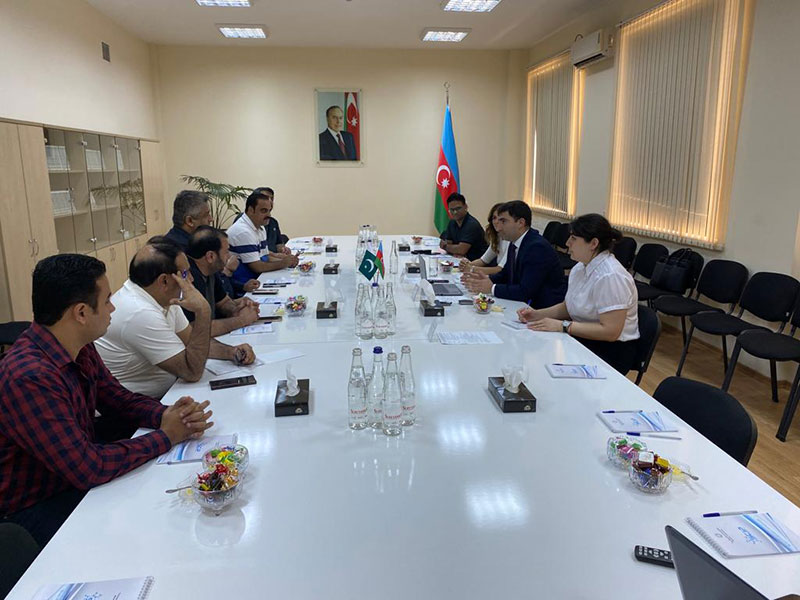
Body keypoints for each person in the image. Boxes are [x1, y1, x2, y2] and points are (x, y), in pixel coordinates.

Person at [0, 254, 213, 547]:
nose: (113, 308)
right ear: (81, 313)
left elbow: (117, 399)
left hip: (69, 476)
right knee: (152, 525)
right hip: (34, 505)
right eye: (108, 300)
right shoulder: (30, 377)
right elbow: (89, 468)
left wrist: (167, 414)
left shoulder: (78, 344)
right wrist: (167, 436)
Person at [95, 237, 255, 399]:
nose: (191, 279)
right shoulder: (139, 312)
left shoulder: (161, 296)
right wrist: (203, 311)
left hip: (168, 392)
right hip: (136, 405)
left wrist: (232, 352)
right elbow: (192, 371)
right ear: (164, 281)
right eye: (185, 273)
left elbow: (191, 341)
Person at [517, 213, 640, 374]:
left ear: (593, 243)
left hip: (611, 351)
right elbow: (568, 307)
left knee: (545, 367)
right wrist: (537, 314)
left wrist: (563, 326)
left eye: (574, 238)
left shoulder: (610, 276)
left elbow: (611, 331)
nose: (567, 243)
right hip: (583, 337)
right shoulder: (580, 267)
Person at [462, 200, 566, 307]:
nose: (498, 227)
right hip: (524, 303)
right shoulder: (514, 242)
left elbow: (525, 291)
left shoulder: (537, 247)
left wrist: (492, 288)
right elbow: (506, 274)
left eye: (503, 221)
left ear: (521, 223)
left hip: (542, 307)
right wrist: (485, 280)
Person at [185, 226, 260, 336]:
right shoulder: (189, 278)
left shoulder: (211, 270)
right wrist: (242, 320)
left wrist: (237, 309)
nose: (229, 256)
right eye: (226, 252)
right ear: (211, 256)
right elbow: (195, 329)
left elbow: (223, 302)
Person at [227, 189, 299, 284]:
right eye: (264, 211)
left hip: (258, 278)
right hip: (245, 284)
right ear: (251, 210)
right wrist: (283, 263)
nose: (269, 215)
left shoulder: (260, 227)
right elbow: (257, 267)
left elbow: (265, 257)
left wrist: (288, 261)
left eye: (269, 211)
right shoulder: (243, 232)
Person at [459, 202, 509, 276]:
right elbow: (483, 260)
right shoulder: (497, 237)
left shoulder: (510, 239)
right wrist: (466, 265)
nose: (496, 221)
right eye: (494, 218)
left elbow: (500, 269)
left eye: (501, 219)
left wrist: (471, 269)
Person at [439, 193, 488, 262]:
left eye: (458, 208)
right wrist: (453, 248)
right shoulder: (452, 222)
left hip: (476, 263)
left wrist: (445, 247)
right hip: (459, 260)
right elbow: (449, 242)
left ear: (465, 207)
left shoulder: (471, 224)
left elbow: (461, 250)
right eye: (452, 210)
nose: (455, 212)